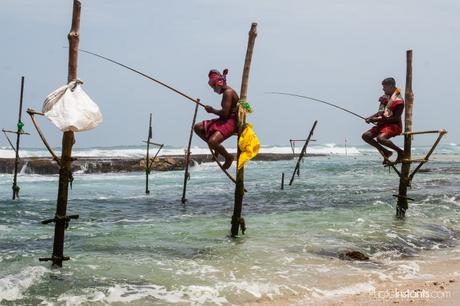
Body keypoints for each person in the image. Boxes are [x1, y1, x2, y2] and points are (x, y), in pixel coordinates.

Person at [194, 69, 239, 169]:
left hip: (231, 122)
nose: (214, 89)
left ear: (219, 83)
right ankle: (216, 148)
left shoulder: (228, 92)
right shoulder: (225, 92)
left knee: (212, 141)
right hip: (224, 120)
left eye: (214, 86)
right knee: (197, 127)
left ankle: (228, 157)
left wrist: (212, 110)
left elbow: (225, 113)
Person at [362, 77, 404, 164]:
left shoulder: (399, 101)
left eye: (384, 87)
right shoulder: (385, 98)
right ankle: (386, 152)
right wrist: (370, 117)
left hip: (394, 125)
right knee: (366, 136)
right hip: (382, 124)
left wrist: (377, 119)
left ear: (391, 86)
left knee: (380, 138)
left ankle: (400, 152)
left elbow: (396, 118)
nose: (383, 89)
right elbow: (380, 112)